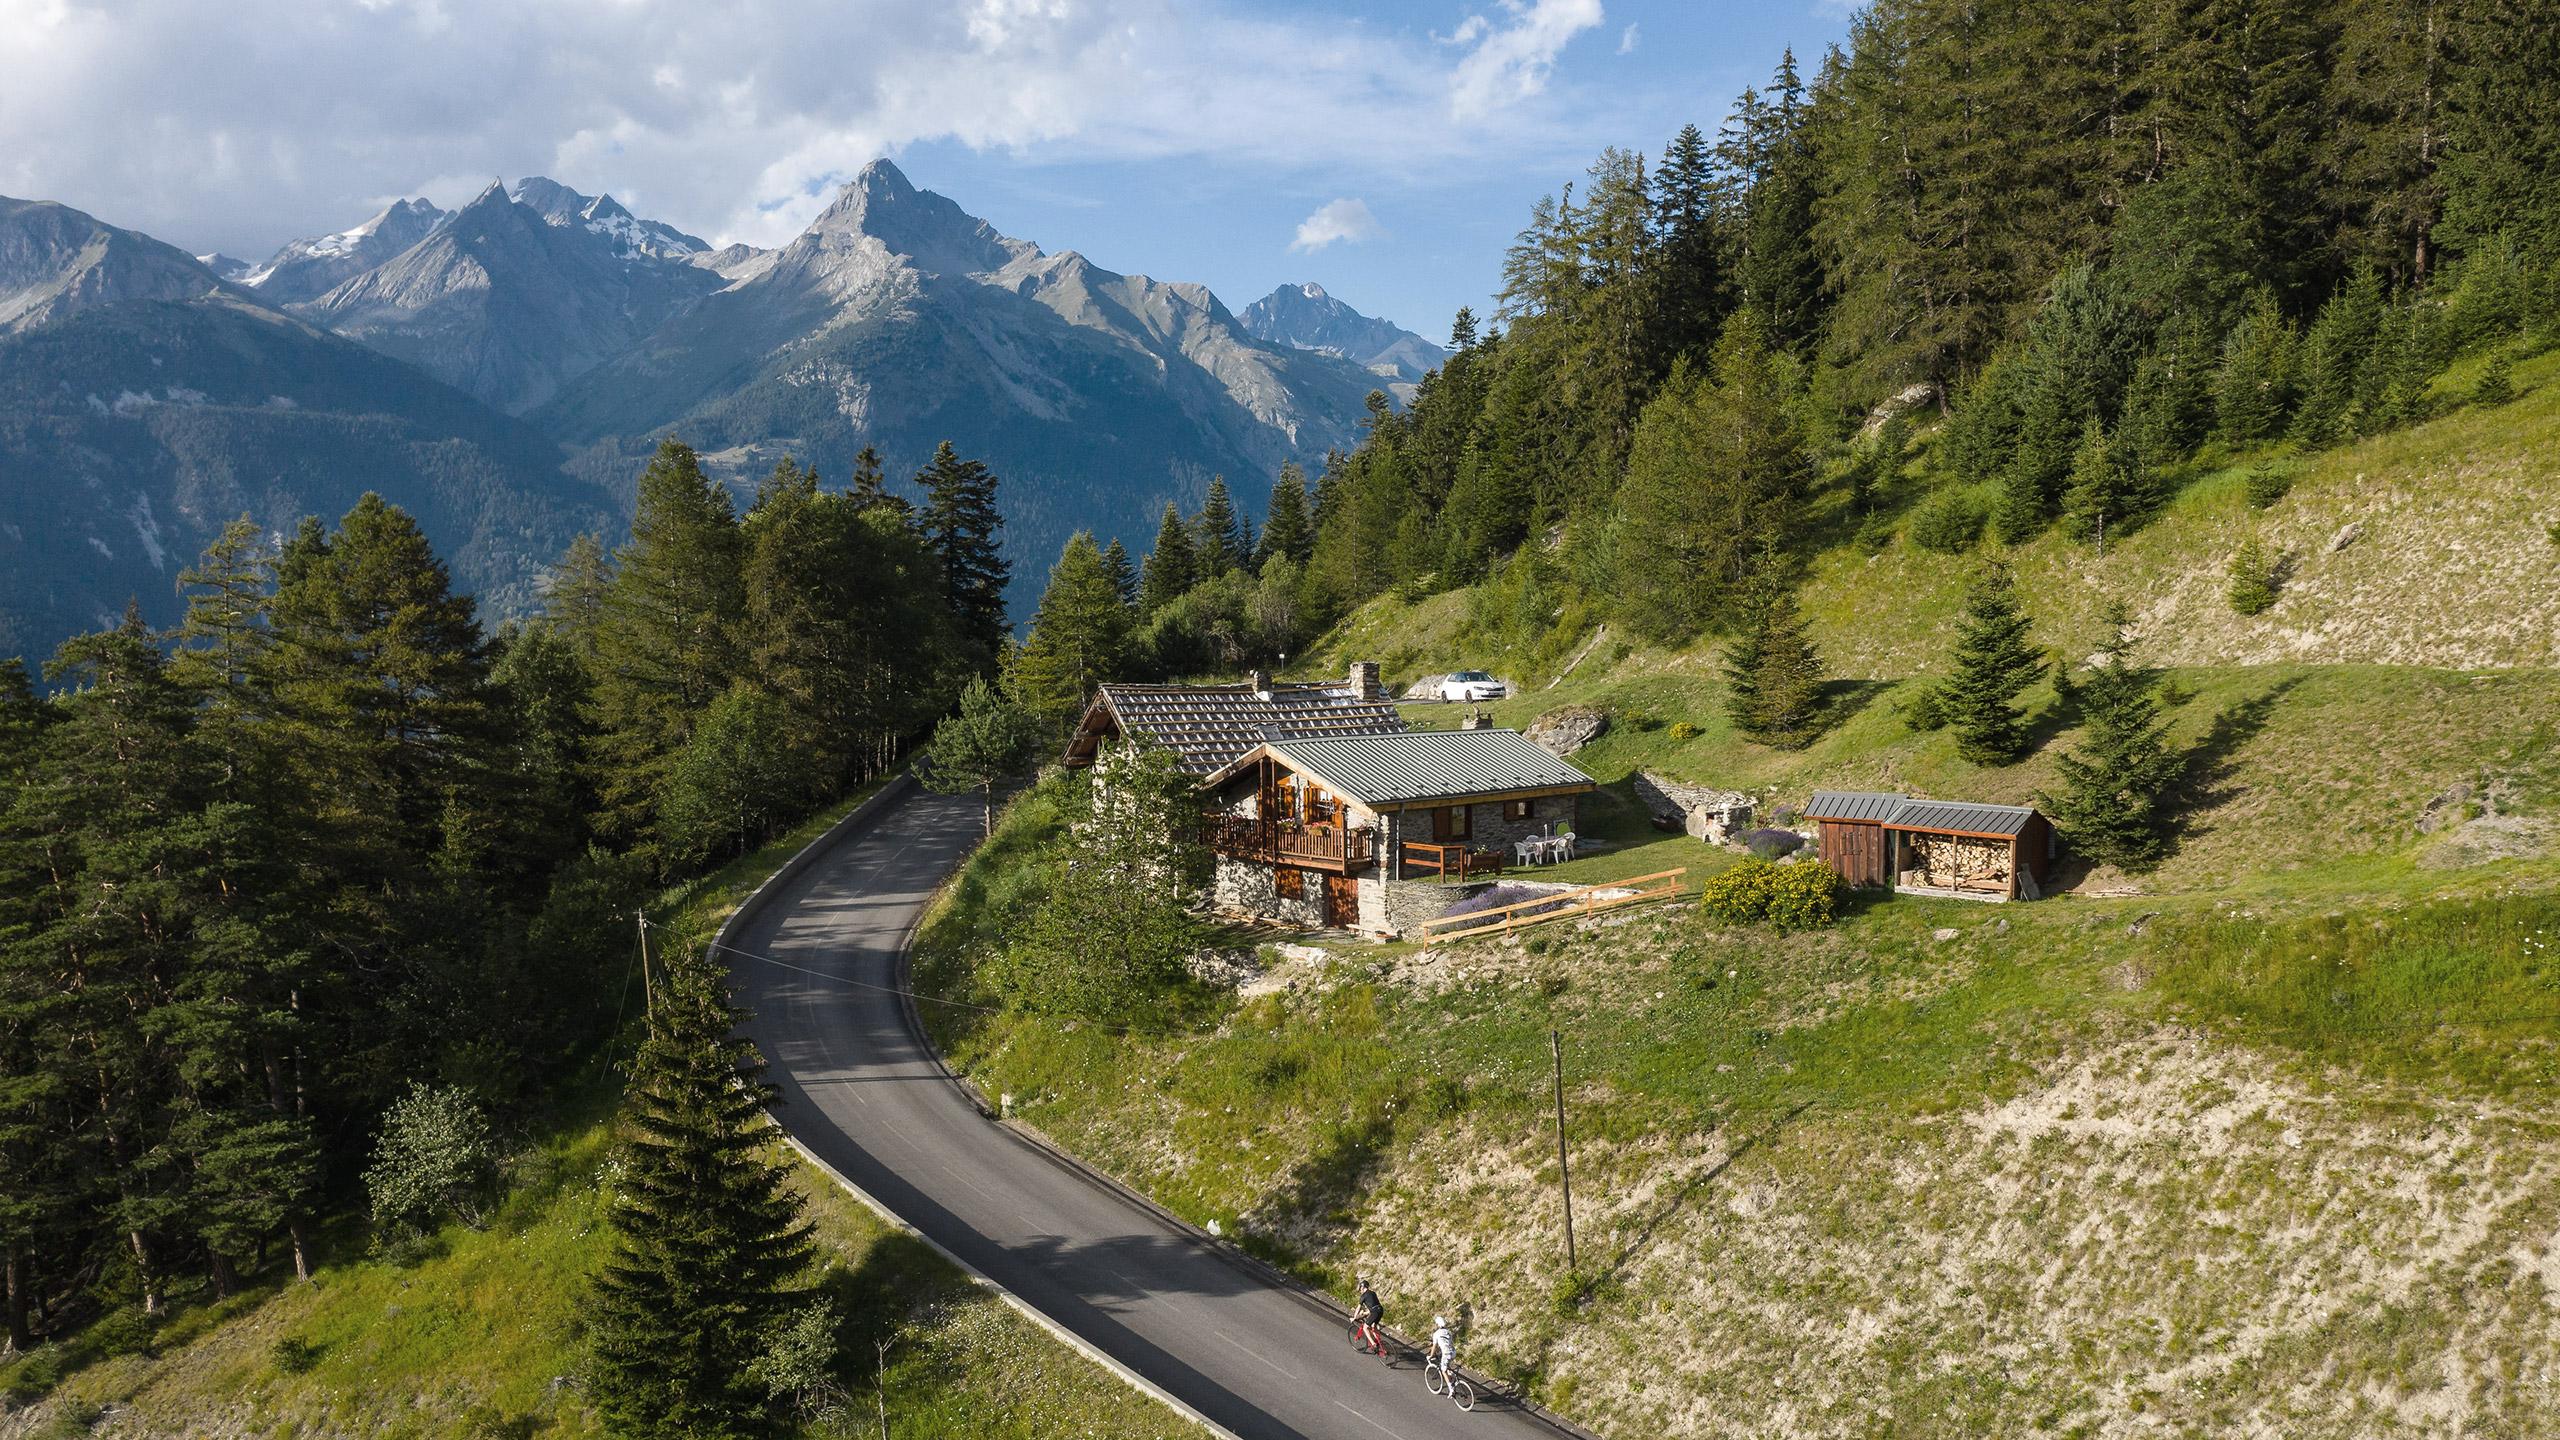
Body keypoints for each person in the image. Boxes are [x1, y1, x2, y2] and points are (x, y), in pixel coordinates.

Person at [1354, 1276, 1386, 1355]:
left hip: (1374, 1312)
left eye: (1360, 1288)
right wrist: (1365, 1313)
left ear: (1362, 1287)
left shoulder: (1363, 1296)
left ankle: (1374, 1344)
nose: (1360, 1290)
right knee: (1373, 1326)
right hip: (1380, 1310)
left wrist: (1354, 1317)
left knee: (1365, 1327)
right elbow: (1372, 1305)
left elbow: (1358, 1308)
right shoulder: (1373, 1293)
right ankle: (1378, 1341)